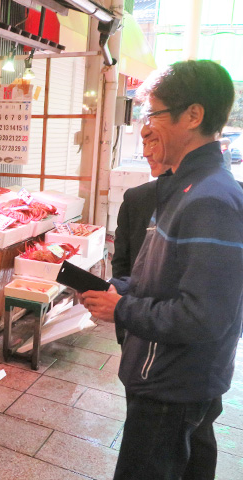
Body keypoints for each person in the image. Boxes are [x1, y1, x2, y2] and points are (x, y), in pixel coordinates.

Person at [82, 60, 243, 479]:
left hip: (172, 387)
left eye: (153, 114)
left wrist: (121, 309)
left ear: (194, 115)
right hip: (169, 380)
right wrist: (116, 289)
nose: (145, 127)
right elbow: (164, 280)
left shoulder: (210, 199)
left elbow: (203, 316)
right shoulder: (184, 188)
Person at [110, 145, 168, 345]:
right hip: (135, 316)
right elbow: (121, 261)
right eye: (144, 143)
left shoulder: (219, 198)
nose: (146, 153)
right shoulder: (136, 197)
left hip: (177, 338)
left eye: (155, 142)